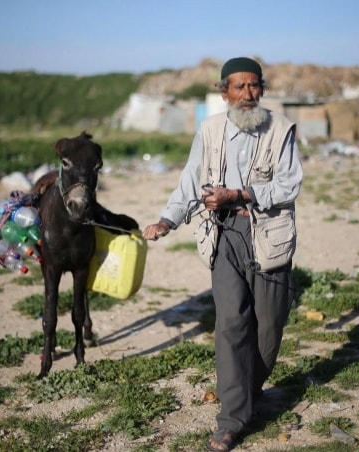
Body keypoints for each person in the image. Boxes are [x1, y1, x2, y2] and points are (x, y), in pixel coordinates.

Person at [142, 57, 303, 451]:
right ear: (223, 91)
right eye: (239, 87)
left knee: (270, 326)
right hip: (225, 233)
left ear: (262, 89)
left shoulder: (280, 129)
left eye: (254, 86)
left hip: (268, 234)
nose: (248, 95)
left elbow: (289, 184)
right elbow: (190, 179)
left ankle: (247, 391)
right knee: (231, 323)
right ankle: (231, 419)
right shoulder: (210, 130)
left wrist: (242, 194)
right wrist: (167, 220)